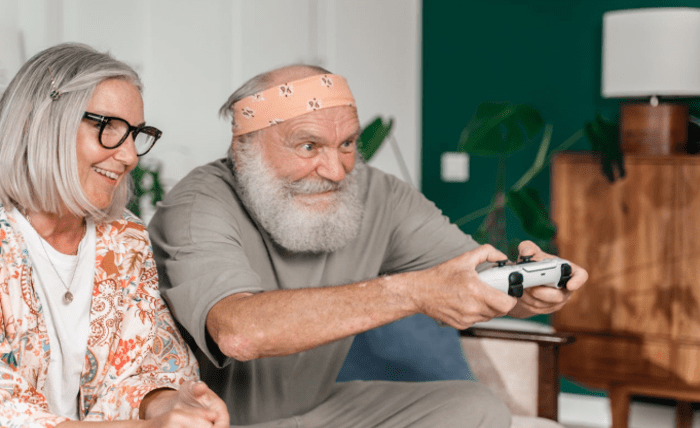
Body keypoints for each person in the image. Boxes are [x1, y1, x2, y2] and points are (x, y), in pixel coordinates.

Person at [148, 64, 588, 428]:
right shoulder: (198, 204)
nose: (337, 170)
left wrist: (528, 291)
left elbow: (472, 279)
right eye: (308, 146)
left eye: (347, 144)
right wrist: (412, 292)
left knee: (476, 407)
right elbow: (239, 333)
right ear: (244, 146)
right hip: (223, 422)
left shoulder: (378, 192)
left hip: (320, 410)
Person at [0, 43, 229, 428]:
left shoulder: (125, 238)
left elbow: (148, 365)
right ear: (37, 122)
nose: (130, 157)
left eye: (135, 134)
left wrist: (168, 403)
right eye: (108, 128)